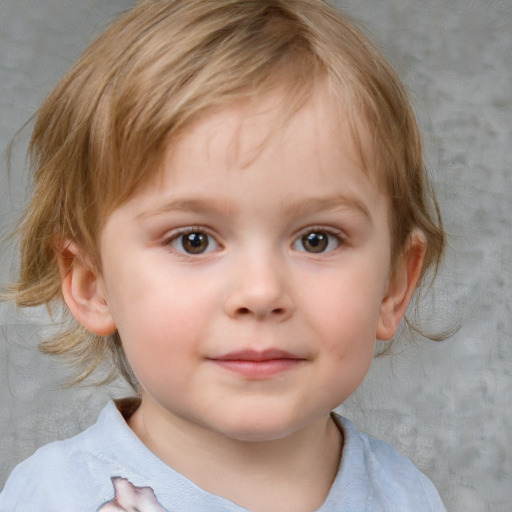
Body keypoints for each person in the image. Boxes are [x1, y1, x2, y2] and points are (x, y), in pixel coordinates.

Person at [0, 0, 447, 510]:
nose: (260, 293)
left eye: (317, 239)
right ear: (92, 283)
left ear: (393, 285)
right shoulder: (52, 497)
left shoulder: (407, 497)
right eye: (194, 240)